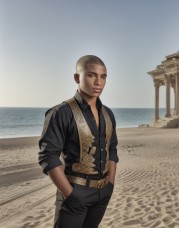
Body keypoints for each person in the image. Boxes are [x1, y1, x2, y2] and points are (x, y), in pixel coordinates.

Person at [38, 55, 119, 228]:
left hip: (102, 193)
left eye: (103, 76)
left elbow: (112, 149)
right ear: (77, 78)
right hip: (75, 193)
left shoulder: (108, 114)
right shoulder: (61, 112)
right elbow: (48, 156)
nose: (98, 82)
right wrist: (70, 194)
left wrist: (110, 184)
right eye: (91, 75)